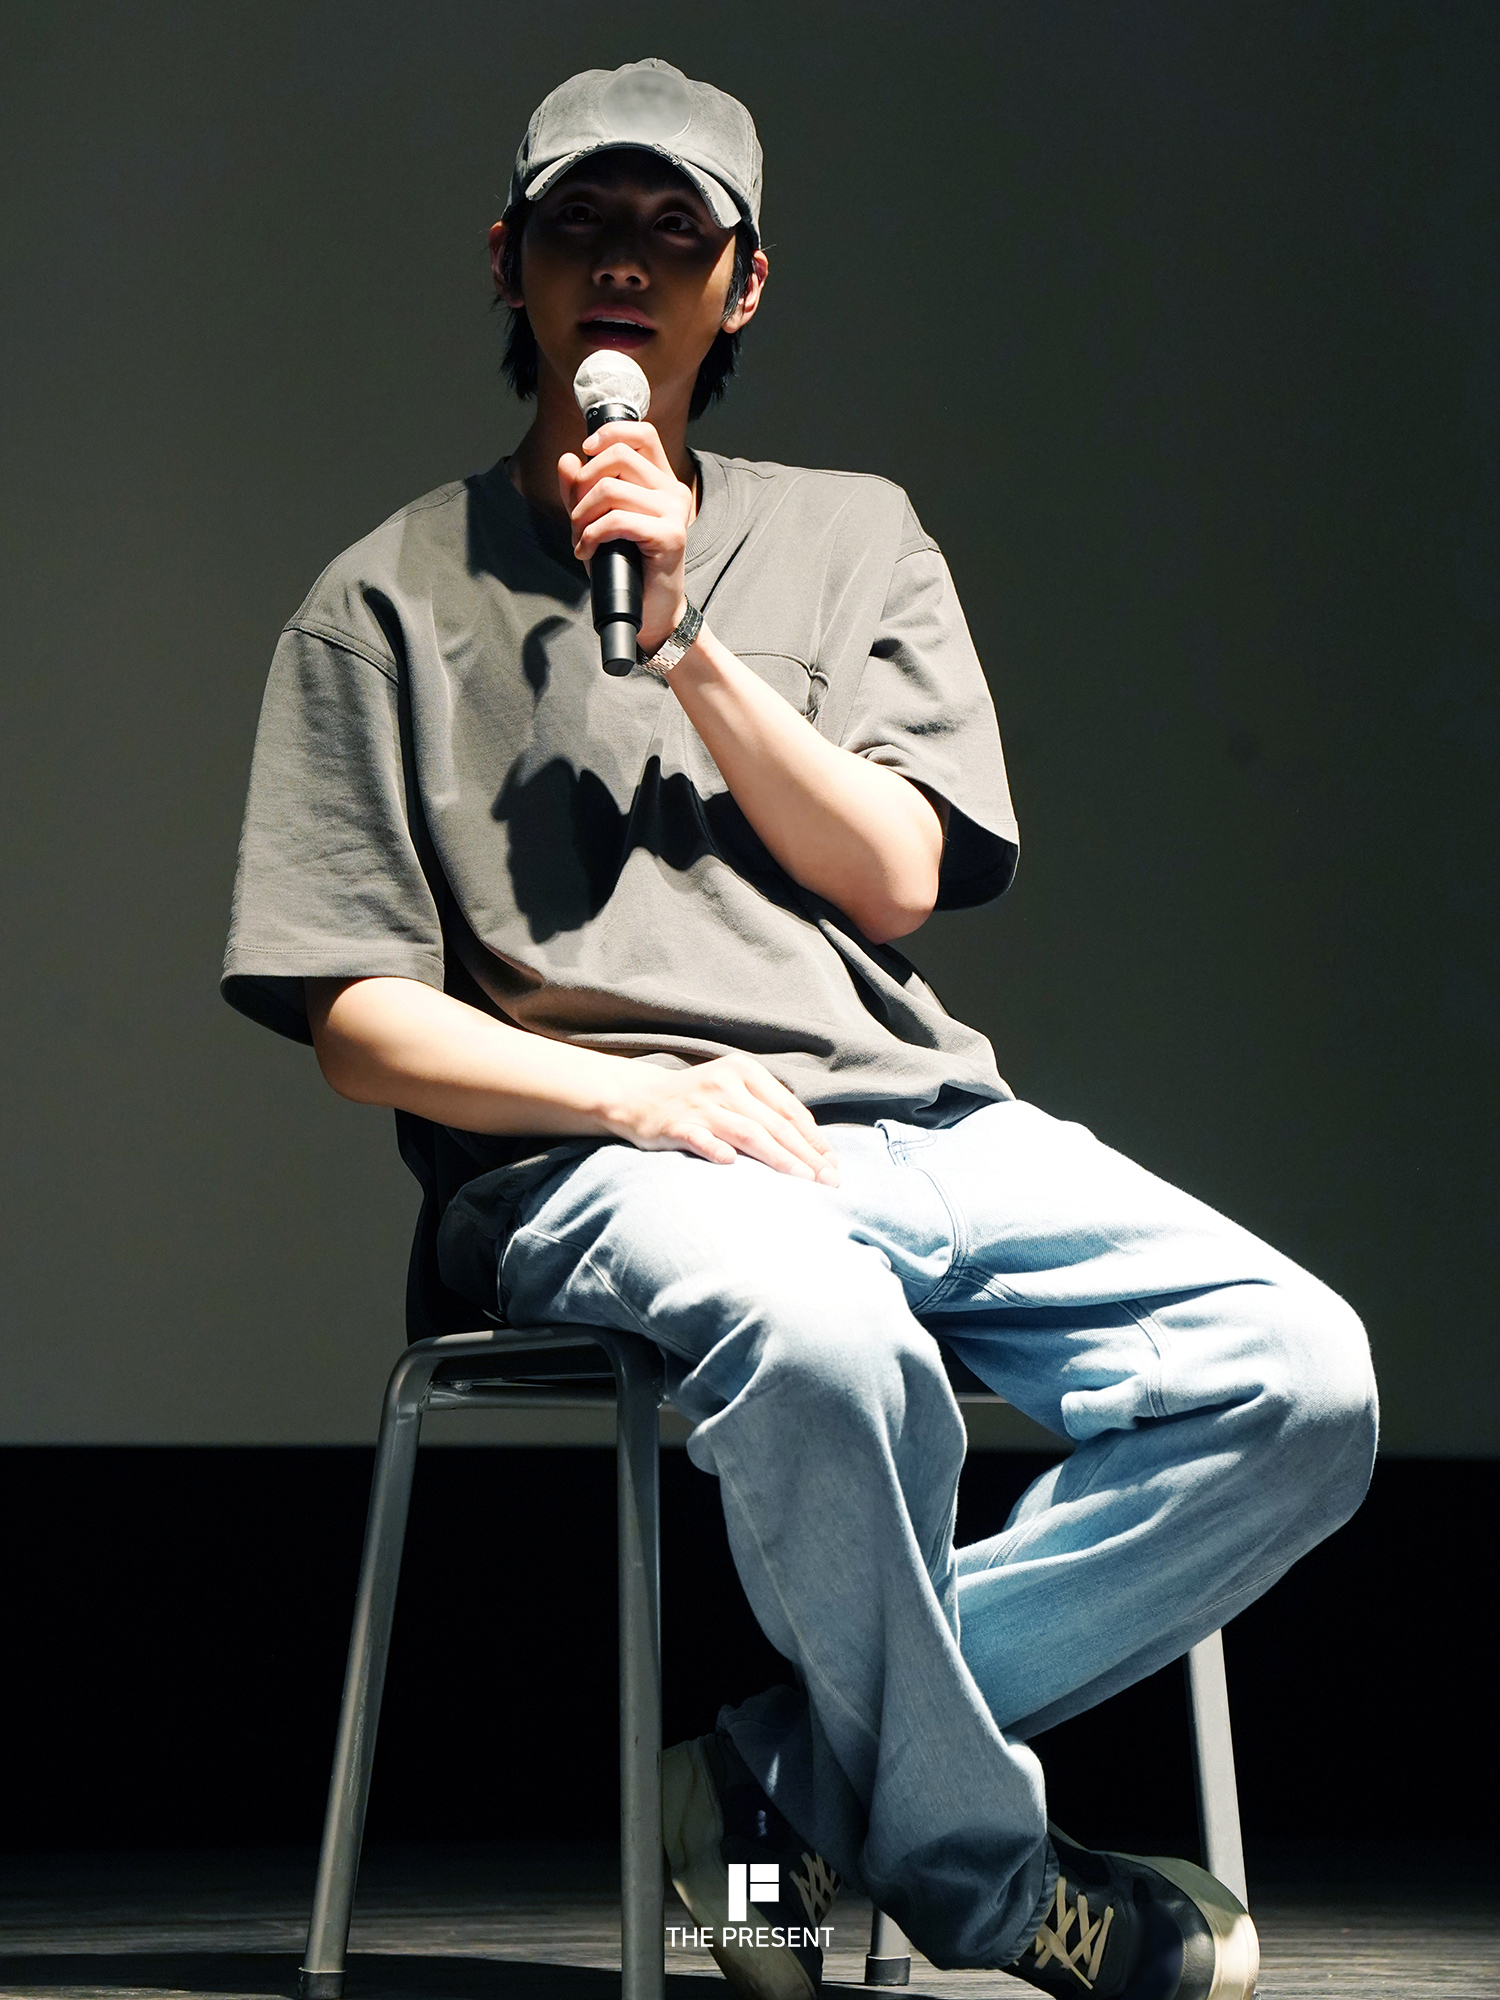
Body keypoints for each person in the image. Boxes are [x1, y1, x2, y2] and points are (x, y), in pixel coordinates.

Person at [223, 57, 1377, 2000]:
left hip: (918, 1125)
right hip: (591, 1154)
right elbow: (357, 1021)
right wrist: (639, 1101)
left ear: (741, 287)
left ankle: (773, 1787)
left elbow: (899, 872)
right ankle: (988, 1884)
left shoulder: (854, 538)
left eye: (676, 232)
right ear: (509, 262)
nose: (626, 263)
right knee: (834, 1340)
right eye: (585, 222)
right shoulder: (381, 603)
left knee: (1300, 1378)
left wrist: (684, 641)